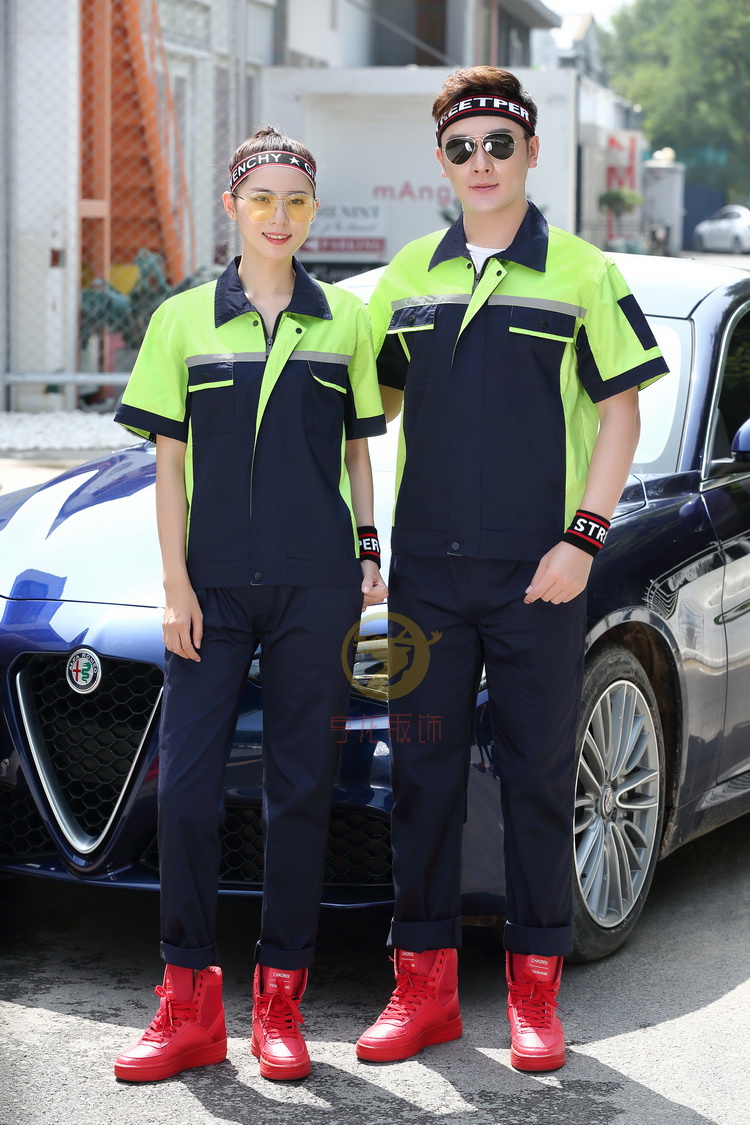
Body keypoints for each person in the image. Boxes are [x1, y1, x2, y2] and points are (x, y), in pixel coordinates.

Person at [356, 67, 668, 1073]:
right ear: (441, 162)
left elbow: (621, 414)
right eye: (462, 147)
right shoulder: (406, 278)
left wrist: (584, 539)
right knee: (421, 777)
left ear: (532, 152)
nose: (481, 162)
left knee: (537, 778)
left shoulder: (582, 272)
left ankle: (535, 996)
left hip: (541, 578)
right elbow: (370, 412)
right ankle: (424, 993)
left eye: (499, 143)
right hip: (427, 583)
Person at [112, 126, 387, 1083]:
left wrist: (367, 549)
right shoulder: (182, 321)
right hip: (212, 588)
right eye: (262, 198)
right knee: (187, 791)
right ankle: (188, 1003)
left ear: (313, 212)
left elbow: (357, 447)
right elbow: (168, 465)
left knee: (299, 793)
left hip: (317, 585)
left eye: (296, 201)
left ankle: (280, 1004)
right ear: (232, 206)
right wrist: (176, 583)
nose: (280, 216)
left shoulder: (345, 321)